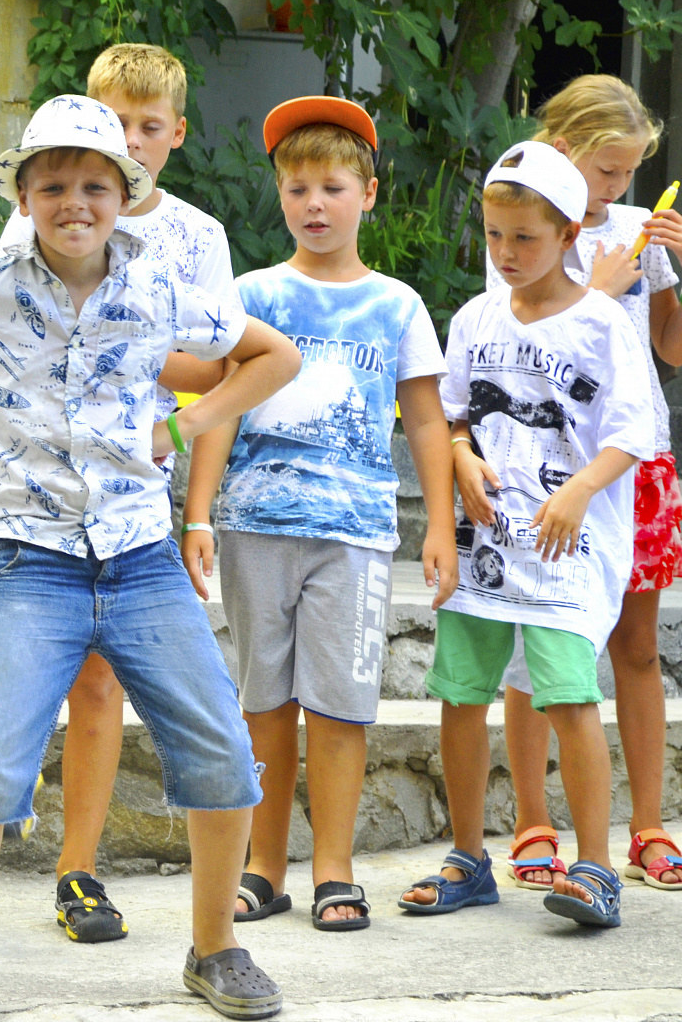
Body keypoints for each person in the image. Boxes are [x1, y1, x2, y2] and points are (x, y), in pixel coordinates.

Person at [0, 95, 300, 1022]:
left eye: (96, 183)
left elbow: (271, 357)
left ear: (125, 195)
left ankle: (217, 948)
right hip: (30, 562)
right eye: (52, 183)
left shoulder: (161, 285)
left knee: (221, 752)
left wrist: (190, 422)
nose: (75, 201)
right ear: (23, 192)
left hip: (141, 559)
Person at [0, 42, 239, 941]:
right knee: (36, 691)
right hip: (38, 494)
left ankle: (81, 867)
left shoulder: (192, 240)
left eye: (146, 130)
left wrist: (194, 495)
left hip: (133, 498)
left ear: (171, 136)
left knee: (112, 684)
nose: (132, 144)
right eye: (117, 123)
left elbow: (224, 363)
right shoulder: (39, 216)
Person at [182, 96, 457, 932]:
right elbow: (222, 406)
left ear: (368, 194)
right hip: (254, 526)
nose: (314, 204)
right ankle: (264, 868)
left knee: (340, 703)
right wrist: (198, 514)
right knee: (263, 699)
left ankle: (335, 867)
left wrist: (440, 523)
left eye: (333, 187)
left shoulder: (398, 304)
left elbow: (425, 419)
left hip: (357, 533)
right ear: (279, 193)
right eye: (297, 188)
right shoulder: (250, 292)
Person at [400, 141, 652, 929]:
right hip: (486, 548)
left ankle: (596, 868)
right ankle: (470, 857)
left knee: (570, 695)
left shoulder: (602, 323)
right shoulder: (474, 317)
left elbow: (633, 428)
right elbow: (448, 413)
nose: (506, 254)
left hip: (567, 551)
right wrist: (463, 457)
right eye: (494, 236)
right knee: (461, 694)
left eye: (525, 239)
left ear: (570, 235)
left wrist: (580, 489)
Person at [486, 76, 682, 893]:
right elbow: (517, 335)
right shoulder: (526, 230)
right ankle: (535, 820)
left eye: (631, 173)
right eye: (607, 171)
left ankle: (648, 826)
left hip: (636, 465)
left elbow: (671, 350)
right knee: (538, 650)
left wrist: (674, 267)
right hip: (547, 470)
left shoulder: (640, 230)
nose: (618, 190)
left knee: (636, 648)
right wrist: (598, 292)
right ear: (564, 149)